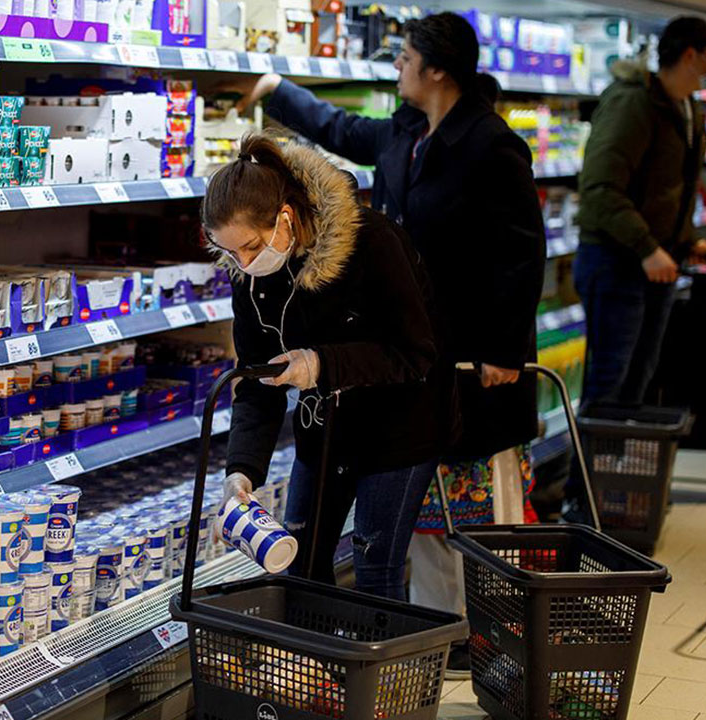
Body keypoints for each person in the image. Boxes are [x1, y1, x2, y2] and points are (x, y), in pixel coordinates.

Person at [226, 11, 546, 676]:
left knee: (446, 517)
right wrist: (277, 90)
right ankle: (402, 650)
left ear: (439, 69)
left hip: (452, 354)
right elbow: (341, 130)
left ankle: (454, 650)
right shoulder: (405, 132)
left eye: (405, 56)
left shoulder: (491, 147)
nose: (396, 65)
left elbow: (521, 256)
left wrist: (505, 348)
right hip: (374, 353)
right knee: (391, 531)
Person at [206, 131, 450, 602]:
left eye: (251, 247)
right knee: (301, 564)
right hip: (324, 431)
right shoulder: (250, 277)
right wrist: (241, 471)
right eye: (230, 252)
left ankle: (385, 653)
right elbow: (257, 382)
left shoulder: (373, 242)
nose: (244, 263)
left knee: (374, 567)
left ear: (285, 216)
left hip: (400, 429)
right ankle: (314, 651)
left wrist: (320, 364)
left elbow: (415, 352)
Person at [574, 16, 706, 409]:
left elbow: (668, 189)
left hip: (656, 264)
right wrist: (647, 247)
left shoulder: (686, 107)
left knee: (639, 378)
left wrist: (686, 240)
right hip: (615, 261)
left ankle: (622, 451)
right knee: (609, 382)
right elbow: (600, 188)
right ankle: (594, 453)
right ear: (689, 55)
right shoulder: (633, 102)